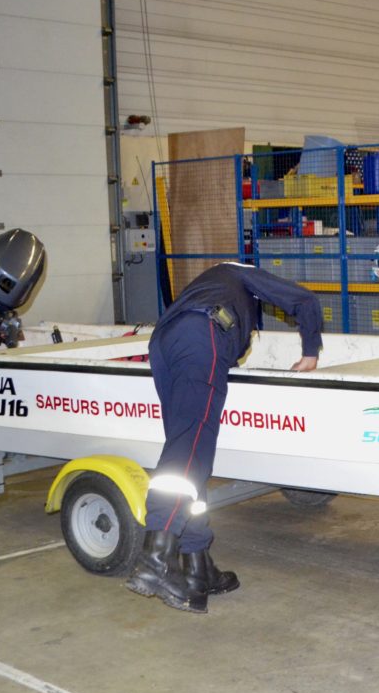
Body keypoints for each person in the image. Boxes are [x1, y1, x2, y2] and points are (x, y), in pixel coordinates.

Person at [126, 262, 323, 613]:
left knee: (189, 452)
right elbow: (304, 301)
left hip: (163, 343)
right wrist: (310, 352)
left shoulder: (210, 285)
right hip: (202, 335)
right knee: (189, 451)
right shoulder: (240, 274)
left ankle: (197, 566)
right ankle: (155, 557)